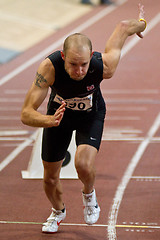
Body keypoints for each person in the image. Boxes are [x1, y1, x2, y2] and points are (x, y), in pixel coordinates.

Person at [21, 4, 146, 234]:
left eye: (83, 65)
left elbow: (122, 28)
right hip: (58, 117)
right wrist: (48, 121)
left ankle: (89, 195)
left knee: (83, 164)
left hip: (91, 114)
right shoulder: (49, 68)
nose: (79, 71)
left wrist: (142, 23)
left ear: (91, 56)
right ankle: (58, 212)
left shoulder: (103, 67)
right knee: (49, 179)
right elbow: (26, 113)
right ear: (63, 57)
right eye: (72, 64)